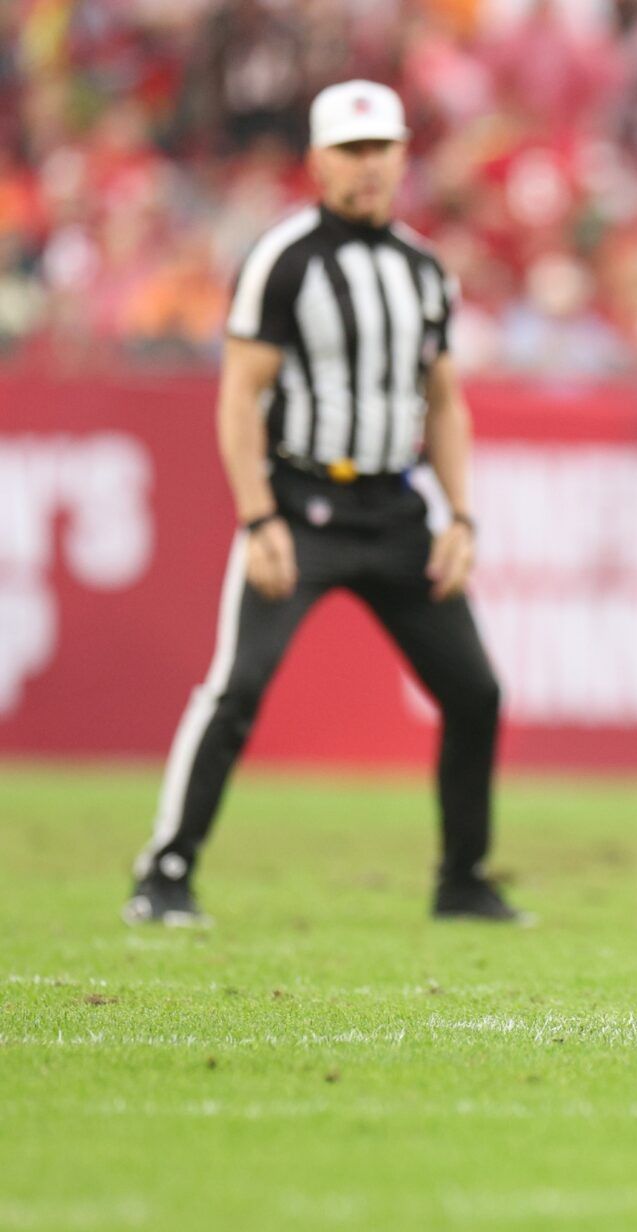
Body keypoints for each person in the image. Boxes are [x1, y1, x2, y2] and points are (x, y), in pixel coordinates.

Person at [124, 81, 522, 927]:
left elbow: (444, 400)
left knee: (475, 690)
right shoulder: (285, 257)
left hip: (394, 509)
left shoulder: (421, 268)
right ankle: (164, 871)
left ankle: (463, 878)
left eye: (382, 148)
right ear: (317, 159)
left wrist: (459, 514)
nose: (368, 166)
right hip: (301, 504)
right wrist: (258, 517)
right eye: (351, 149)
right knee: (237, 689)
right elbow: (240, 396)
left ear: (404, 155)